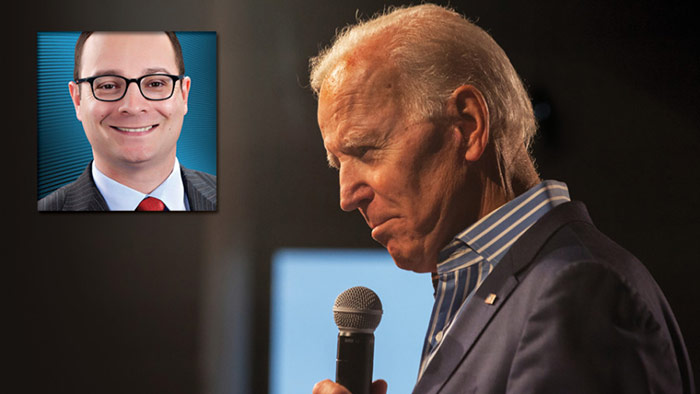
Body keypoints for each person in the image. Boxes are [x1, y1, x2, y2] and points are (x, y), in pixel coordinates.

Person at [309, 4, 694, 394]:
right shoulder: (505, 286)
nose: (346, 196)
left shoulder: (578, 292)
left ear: (468, 125)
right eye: (337, 163)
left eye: (367, 150)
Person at [38, 31, 216, 211]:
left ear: (184, 95)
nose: (133, 107)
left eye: (155, 84)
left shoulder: (241, 205)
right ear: (77, 99)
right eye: (108, 85)